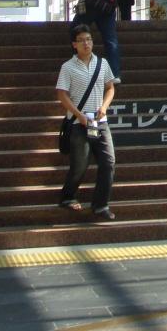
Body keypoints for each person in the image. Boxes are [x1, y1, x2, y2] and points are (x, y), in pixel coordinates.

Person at [55, 25, 117, 221]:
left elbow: (110, 88)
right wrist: (78, 114)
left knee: (108, 162)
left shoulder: (102, 63)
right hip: (78, 122)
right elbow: (62, 94)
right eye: (81, 40)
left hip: (99, 121)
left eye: (89, 39)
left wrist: (104, 107)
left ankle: (101, 205)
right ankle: (67, 196)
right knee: (80, 164)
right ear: (74, 44)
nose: (86, 43)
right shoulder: (68, 67)